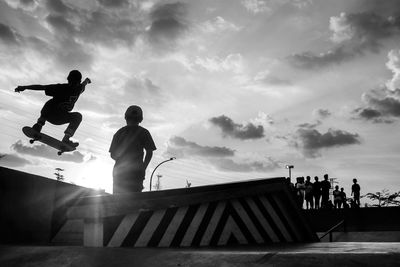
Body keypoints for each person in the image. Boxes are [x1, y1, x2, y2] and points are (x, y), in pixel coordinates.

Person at [15, 70, 90, 147]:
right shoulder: (70, 88)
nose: (71, 84)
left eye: (73, 82)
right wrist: (25, 87)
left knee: (78, 116)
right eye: (71, 82)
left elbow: (84, 84)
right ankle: (39, 125)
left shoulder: (75, 88)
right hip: (51, 114)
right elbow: (42, 87)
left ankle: (66, 139)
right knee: (50, 103)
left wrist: (87, 81)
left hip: (61, 117)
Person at [109, 105, 156, 194]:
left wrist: (122, 160)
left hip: (119, 171)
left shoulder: (119, 133)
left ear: (126, 117)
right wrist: (143, 167)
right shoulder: (144, 132)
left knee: (117, 199)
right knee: (134, 200)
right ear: (140, 119)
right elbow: (149, 152)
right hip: (136, 171)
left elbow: (112, 155)